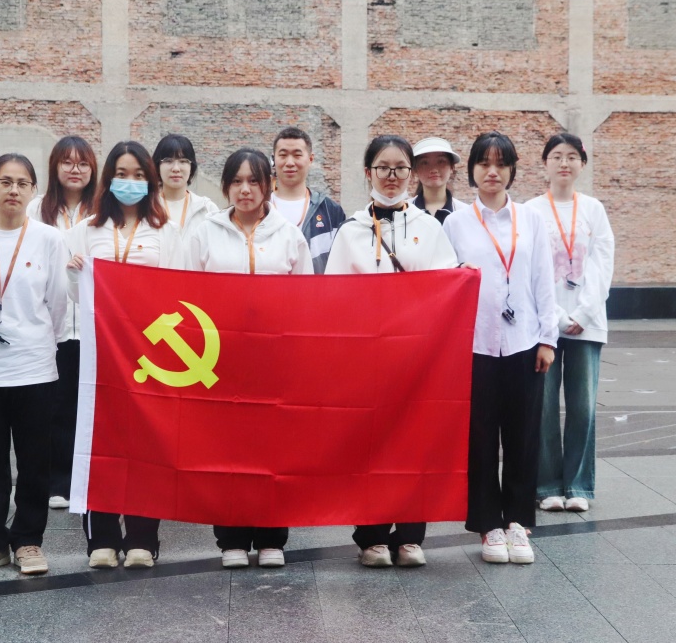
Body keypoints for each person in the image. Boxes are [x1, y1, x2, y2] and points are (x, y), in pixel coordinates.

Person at [325, 135, 460, 568]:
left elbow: (446, 287)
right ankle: (372, 537)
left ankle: (411, 536)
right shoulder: (351, 231)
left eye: (400, 168)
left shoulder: (429, 227)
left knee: (414, 443)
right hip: (366, 358)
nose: (391, 176)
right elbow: (334, 296)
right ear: (368, 172)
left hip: (418, 357)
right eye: (383, 167)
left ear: (411, 173)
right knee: (371, 446)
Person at [187, 148, 312, 568]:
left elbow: (305, 301)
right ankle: (232, 539)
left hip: (275, 361)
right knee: (228, 451)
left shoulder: (289, 235)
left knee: (274, 450)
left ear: (268, 186)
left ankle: (273, 537)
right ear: (225, 186)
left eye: (254, 181)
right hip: (220, 361)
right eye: (237, 181)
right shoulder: (204, 233)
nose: (245, 190)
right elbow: (185, 294)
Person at [67, 140, 184, 570]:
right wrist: (74, 274)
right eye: (121, 174)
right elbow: (74, 296)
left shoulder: (165, 231)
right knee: (99, 441)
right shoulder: (87, 228)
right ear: (108, 179)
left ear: (150, 180)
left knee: (146, 444)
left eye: (137, 175)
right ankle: (100, 537)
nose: (129, 182)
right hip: (100, 353)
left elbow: (179, 290)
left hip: (149, 354)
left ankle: (142, 537)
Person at [443, 131, 558, 565]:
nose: (492, 172)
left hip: (524, 342)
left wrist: (547, 338)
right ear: (471, 170)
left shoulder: (531, 220)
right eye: (484, 163)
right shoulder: (456, 223)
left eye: (501, 164)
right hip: (474, 346)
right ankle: (489, 524)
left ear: (511, 171)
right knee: (480, 438)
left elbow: (543, 280)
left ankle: (518, 523)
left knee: (523, 436)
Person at [0, 153, 68, 576]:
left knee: (35, 458)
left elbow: (57, 303)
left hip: (34, 366)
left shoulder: (49, 240)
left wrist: (35, 339)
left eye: (22, 183)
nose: (13, 190)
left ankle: (28, 540)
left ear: (34, 190)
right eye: (5, 182)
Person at [527, 134, 615, 515]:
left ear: (582, 164)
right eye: (556, 156)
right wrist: (558, 316)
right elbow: (530, 268)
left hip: (587, 324)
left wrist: (583, 313)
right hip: (543, 325)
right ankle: (547, 485)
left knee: (583, 406)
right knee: (544, 406)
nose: (564, 163)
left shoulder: (594, 210)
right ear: (545, 163)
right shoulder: (531, 211)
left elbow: (602, 264)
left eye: (572, 157)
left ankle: (579, 485)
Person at [26, 135, 99, 511]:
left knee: (87, 406)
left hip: (90, 326)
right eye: (67, 162)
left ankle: (86, 479)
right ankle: (57, 481)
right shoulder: (37, 209)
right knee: (53, 406)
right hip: (50, 324)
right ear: (54, 166)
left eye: (83, 163)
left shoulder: (103, 209)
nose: (75, 169)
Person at [271, 126, 346, 273]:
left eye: (297, 155)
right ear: (274, 159)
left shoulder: (331, 211)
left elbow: (342, 263)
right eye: (283, 155)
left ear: (310, 159)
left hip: (316, 288)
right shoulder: (261, 208)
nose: (290, 162)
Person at [153, 133, 220, 241]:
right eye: (168, 161)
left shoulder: (207, 209)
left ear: (191, 167)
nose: (176, 168)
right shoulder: (147, 208)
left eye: (183, 161)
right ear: (157, 166)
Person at [409, 137, 469, 224]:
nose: (433, 169)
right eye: (424, 163)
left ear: (452, 167)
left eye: (441, 161)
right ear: (415, 169)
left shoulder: (465, 214)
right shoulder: (404, 212)